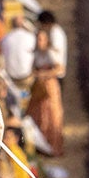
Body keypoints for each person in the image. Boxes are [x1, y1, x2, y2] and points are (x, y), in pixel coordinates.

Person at [28, 26, 65, 155]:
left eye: (42, 39)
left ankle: (54, 146)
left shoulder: (51, 53)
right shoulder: (36, 54)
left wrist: (45, 74)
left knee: (52, 115)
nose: (40, 42)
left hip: (50, 86)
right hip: (40, 87)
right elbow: (32, 69)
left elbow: (59, 69)